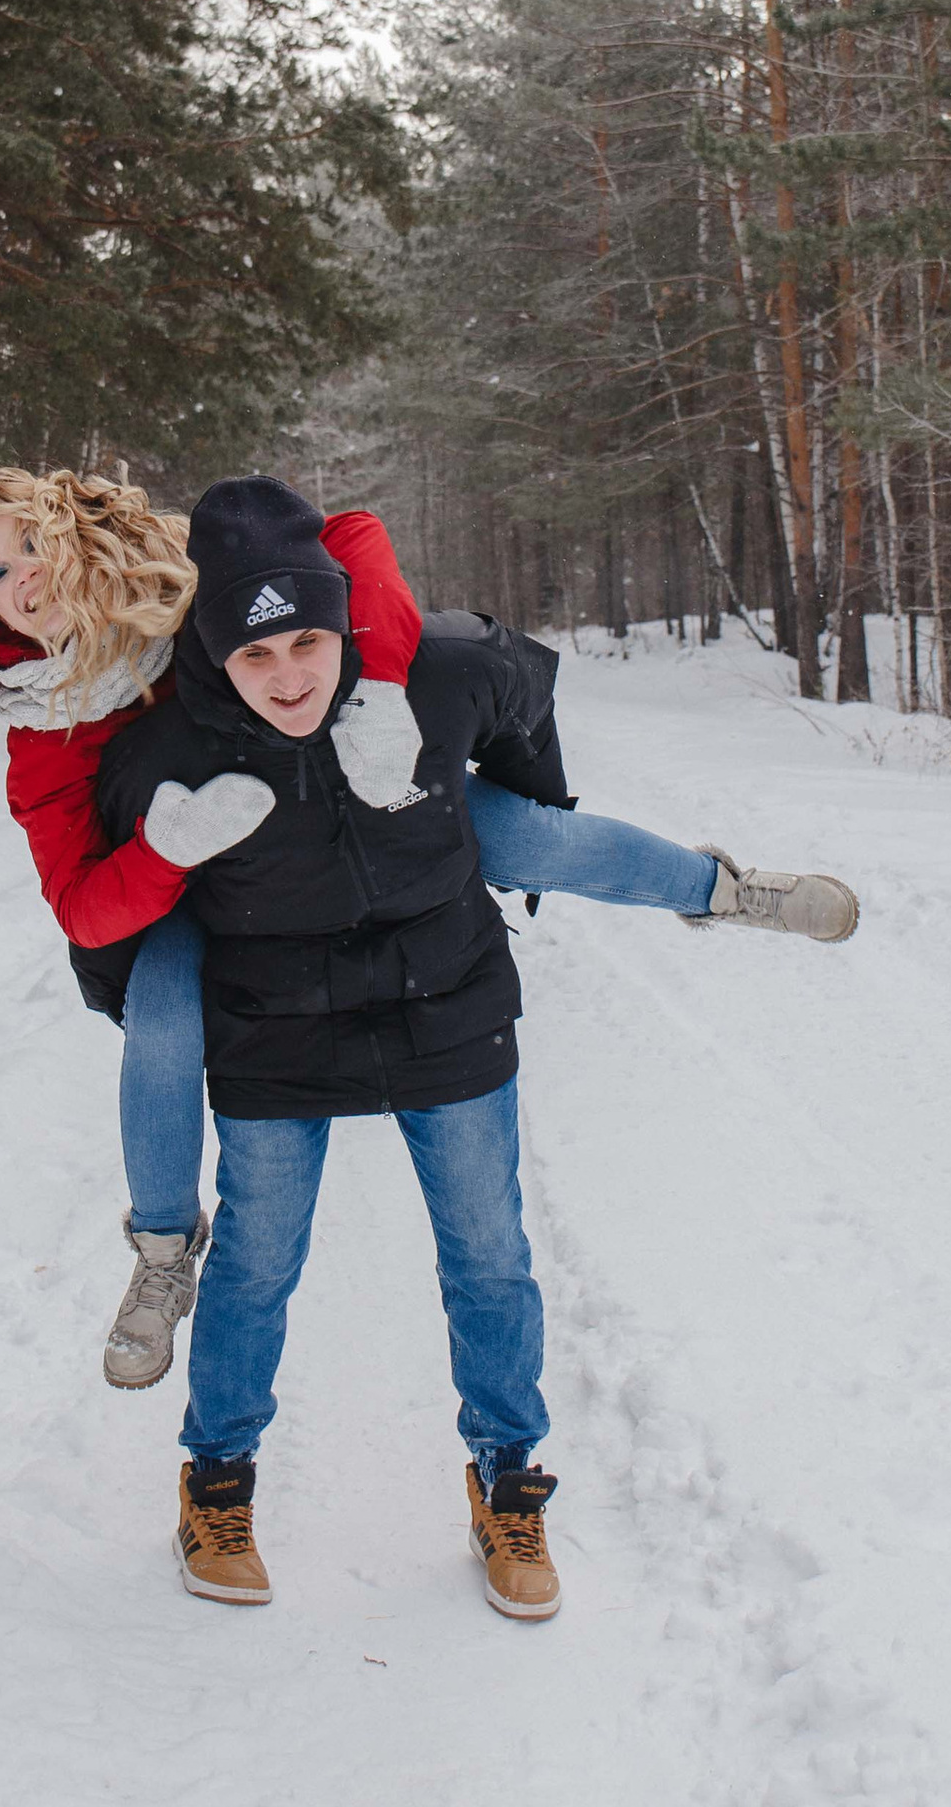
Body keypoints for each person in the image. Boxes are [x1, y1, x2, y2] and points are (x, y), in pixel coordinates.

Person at [0, 469, 859, 1400]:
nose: (23, 577)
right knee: (160, 1020)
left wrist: (375, 686)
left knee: (523, 838)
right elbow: (81, 906)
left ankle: (722, 889)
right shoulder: (44, 736)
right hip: (202, 884)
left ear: (77, 534)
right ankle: (163, 1254)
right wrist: (166, 851)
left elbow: (353, 537)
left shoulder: (183, 583)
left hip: (343, 787)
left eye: (30, 544)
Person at [94, 476, 858, 1620]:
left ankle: (507, 1477)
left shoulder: (433, 676)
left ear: (340, 624)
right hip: (276, 1035)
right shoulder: (168, 756)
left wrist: (515, 800)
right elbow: (115, 908)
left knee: (489, 1255)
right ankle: (216, 1480)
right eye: (256, 656)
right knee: (254, 1265)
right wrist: (142, 1010)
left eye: (308, 642)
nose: (290, 676)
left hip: (443, 1002)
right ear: (214, 654)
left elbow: (526, 699)